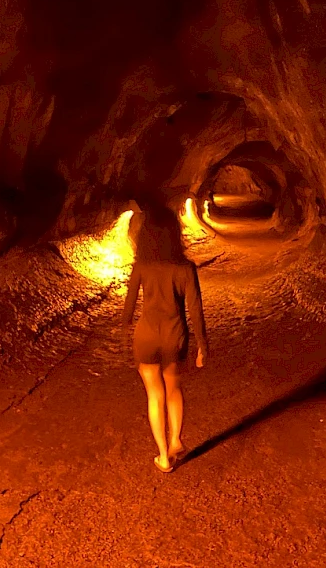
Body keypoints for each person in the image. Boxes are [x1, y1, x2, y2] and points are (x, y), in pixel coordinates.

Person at [121, 201, 209, 473]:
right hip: (175, 336)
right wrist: (203, 346)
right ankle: (175, 440)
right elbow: (195, 309)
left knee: (154, 395)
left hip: (146, 336)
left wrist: (124, 332)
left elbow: (128, 308)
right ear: (174, 235)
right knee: (173, 389)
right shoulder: (185, 268)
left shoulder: (141, 268)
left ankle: (163, 457)